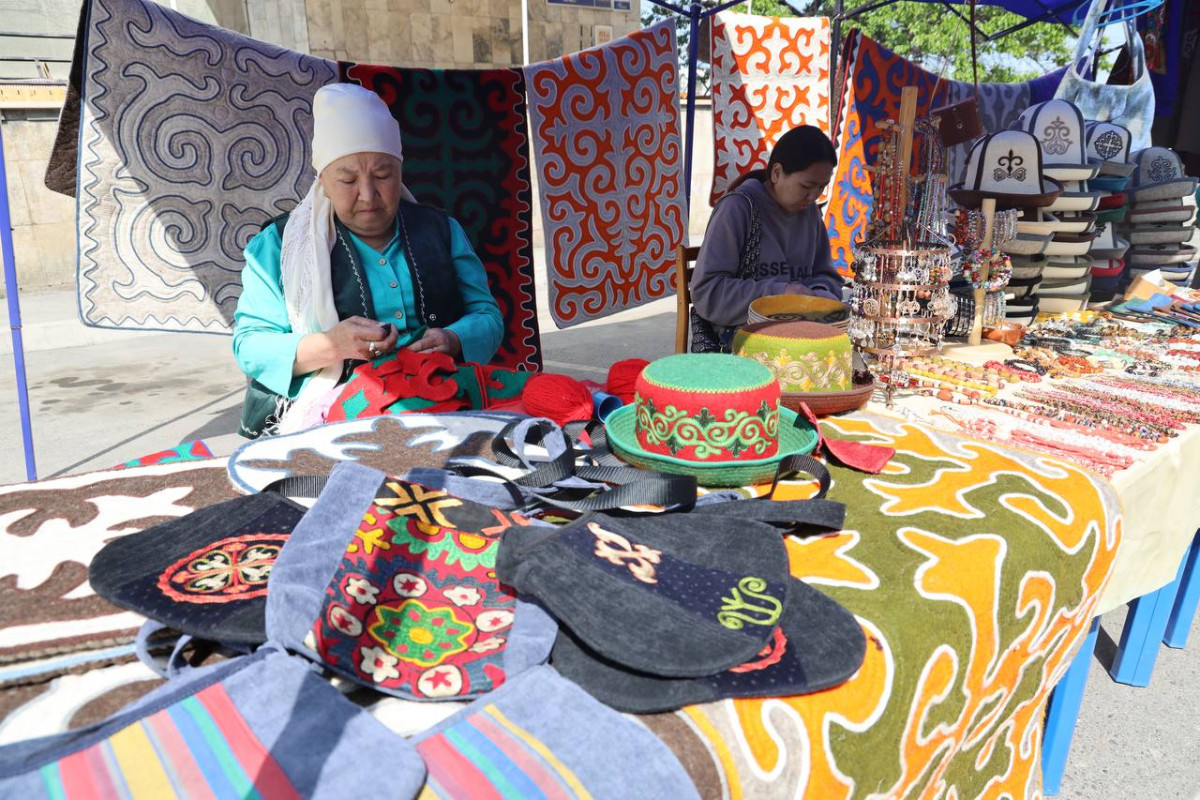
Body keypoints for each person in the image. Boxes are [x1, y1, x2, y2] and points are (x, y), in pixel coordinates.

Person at [233, 83, 503, 438]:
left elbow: (487, 315)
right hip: (332, 417)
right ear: (323, 180)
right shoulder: (277, 247)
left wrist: (453, 338)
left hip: (441, 397)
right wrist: (332, 346)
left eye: (383, 175)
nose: (367, 195)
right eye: (347, 179)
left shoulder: (441, 230)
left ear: (400, 171)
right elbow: (250, 346)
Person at [689, 125, 844, 352]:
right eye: (807, 186)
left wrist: (821, 295)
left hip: (797, 329)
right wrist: (780, 296)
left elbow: (827, 276)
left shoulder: (810, 212)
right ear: (776, 173)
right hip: (739, 337)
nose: (813, 196)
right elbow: (707, 292)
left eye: (821, 187)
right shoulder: (738, 208)